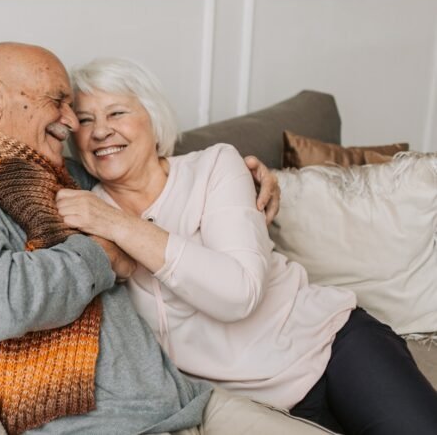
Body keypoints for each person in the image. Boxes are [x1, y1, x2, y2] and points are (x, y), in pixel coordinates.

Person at [0, 41, 332, 435]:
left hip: (189, 400)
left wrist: (251, 173)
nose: (71, 122)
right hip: (102, 424)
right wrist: (101, 255)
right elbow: (1, 300)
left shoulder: (64, 177)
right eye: (59, 102)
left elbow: (146, 165)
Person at [56, 56, 437, 435]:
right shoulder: (85, 210)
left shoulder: (214, 167)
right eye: (85, 120)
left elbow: (238, 294)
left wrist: (121, 226)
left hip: (331, 347)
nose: (100, 131)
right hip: (246, 408)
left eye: (117, 112)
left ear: (153, 120)